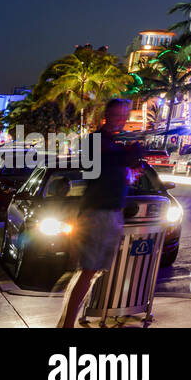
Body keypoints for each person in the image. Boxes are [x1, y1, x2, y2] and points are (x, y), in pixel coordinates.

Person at [57, 98, 142, 328]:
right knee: (88, 271)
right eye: (117, 115)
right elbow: (99, 164)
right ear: (107, 114)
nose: (121, 120)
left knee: (91, 272)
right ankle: (66, 325)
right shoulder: (97, 141)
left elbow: (121, 173)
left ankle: (66, 321)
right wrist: (127, 158)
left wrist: (131, 172)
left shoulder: (114, 144)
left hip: (111, 212)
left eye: (124, 116)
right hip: (98, 213)